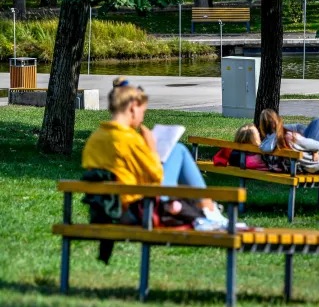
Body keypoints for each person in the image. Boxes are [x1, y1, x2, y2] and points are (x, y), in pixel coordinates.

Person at [82, 77, 228, 230]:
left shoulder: (95, 138)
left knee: (178, 151)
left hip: (106, 207)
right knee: (178, 150)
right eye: (143, 111)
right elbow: (156, 176)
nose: (143, 117)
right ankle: (209, 210)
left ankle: (209, 209)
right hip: (137, 208)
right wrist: (151, 147)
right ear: (133, 107)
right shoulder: (129, 139)